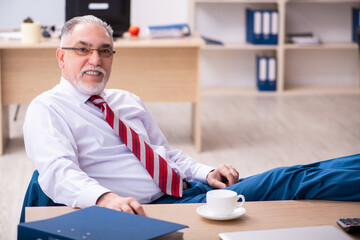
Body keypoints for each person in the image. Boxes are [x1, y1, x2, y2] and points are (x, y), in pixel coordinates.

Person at [22, 15, 360, 221]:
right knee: (289, 183)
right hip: (149, 212)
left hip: (186, 191)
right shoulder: (47, 109)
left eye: (105, 51)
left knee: (290, 178)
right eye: (83, 49)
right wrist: (105, 199)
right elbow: (56, 173)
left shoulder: (127, 101)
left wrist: (207, 172)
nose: (95, 59)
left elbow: (164, 156)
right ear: (60, 57)